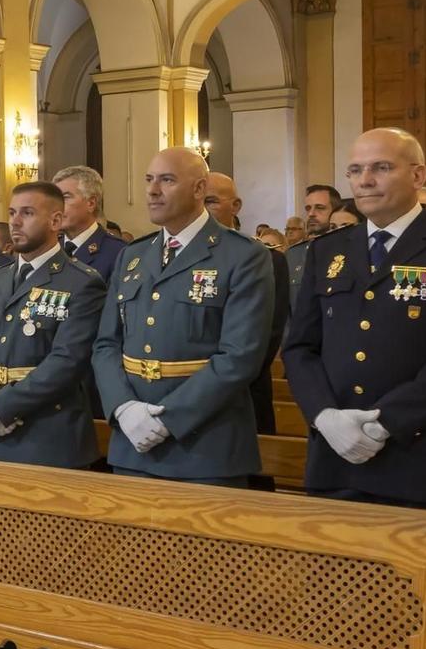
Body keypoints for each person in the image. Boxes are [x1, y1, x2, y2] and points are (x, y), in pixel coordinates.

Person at [283, 128, 426, 513]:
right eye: (355, 170)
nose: (364, 180)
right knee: (331, 572)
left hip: (418, 457)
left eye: (381, 167)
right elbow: (300, 346)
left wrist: (386, 423)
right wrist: (324, 416)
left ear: (418, 176)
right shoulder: (328, 248)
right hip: (335, 456)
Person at [96, 147, 274, 488]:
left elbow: (240, 356)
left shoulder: (241, 255)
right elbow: (106, 343)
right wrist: (124, 409)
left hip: (205, 446)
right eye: (149, 180)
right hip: (132, 445)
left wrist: (167, 420)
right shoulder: (133, 255)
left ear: (198, 189)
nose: (152, 190)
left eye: (167, 180)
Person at [0, 180, 106, 467]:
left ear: (56, 220)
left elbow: (67, 361)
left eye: (27, 213)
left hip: (45, 434)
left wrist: (3, 407)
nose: (15, 222)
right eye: (12, 213)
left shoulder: (81, 282)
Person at [203, 170, 290, 440]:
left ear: (236, 206)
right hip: (182, 398)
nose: (204, 209)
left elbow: (264, 342)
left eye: (212, 201)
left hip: (243, 399)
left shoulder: (265, 259)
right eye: (199, 201)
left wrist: (205, 389)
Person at [51, 165, 124, 278]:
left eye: (65, 197)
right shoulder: (49, 248)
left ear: (91, 203)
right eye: (54, 199)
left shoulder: (118, 252)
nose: (56, 205)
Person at [288, 184, 339, 287]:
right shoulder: (293, 254)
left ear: (336, 211)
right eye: (308, 208)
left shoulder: (350, 249)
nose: (311, 213)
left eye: (320, 208)